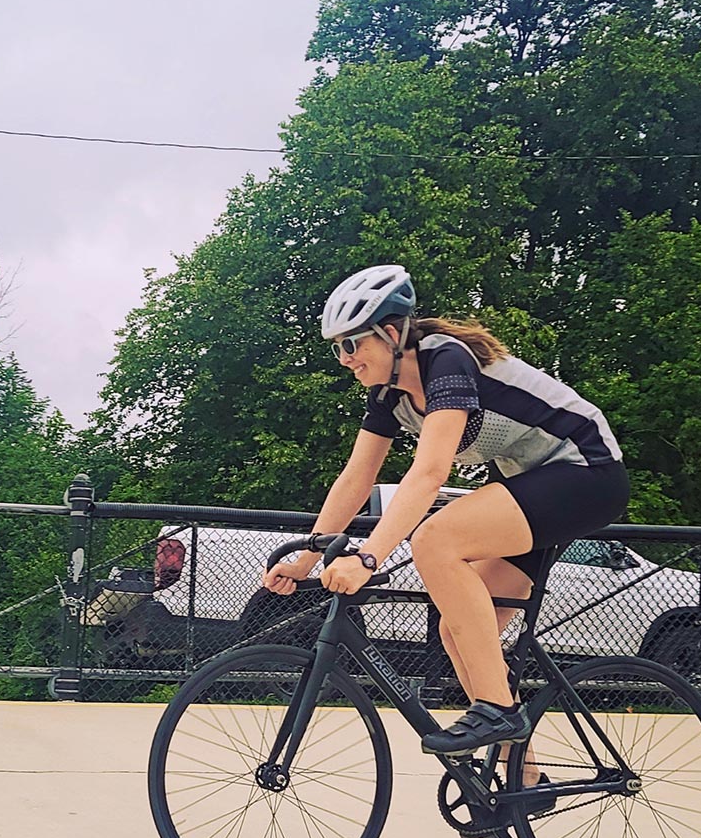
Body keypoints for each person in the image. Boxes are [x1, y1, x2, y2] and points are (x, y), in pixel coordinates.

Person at [263, 264, 630, 758]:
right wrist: (307, 558)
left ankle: (498, 709)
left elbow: (429, 472)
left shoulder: (445, 359)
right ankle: (524, 777)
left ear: (392, 334)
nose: (345, 359)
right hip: (531, 480)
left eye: (354, 344)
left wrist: (369, 558)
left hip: (586, 469)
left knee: (437, 538)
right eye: (338, 347)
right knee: (457, 629)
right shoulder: (388, 395)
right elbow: (356, 478)